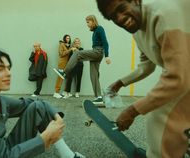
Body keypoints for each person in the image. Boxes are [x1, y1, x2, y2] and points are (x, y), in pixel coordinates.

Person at [95, 0, 190, 157]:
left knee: (160, 117)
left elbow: (177, 77)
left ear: (136, 1)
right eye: (113, 17)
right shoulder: (137, 31)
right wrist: (119, 83)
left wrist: (132, 111)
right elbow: (147, 65)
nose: (119, 18)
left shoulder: (163, 14)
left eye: (121, 8)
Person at [0, 49, 85, 158]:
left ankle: (68, 156)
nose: (8, 73)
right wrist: (45, 138)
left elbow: (33, 103)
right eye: (0, 69)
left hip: (2, 150)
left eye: (8, 68)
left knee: (38, 107)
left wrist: (56, 117)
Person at [54, 15, 111, 104]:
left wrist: (107, 55)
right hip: (96, 53)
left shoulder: (99, 28)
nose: (87, 24)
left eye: (88, 22)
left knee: (77, 53)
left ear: (92, 21)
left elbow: (105, 42)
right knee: (94, 75)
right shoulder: (95, 31)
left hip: (98, 52)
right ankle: (99, 97)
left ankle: (64, 72)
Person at [53, 34, 77, 99]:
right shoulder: (62, 45)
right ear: (64, 39)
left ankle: (65, 92)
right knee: (60, 78)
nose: (68, 39)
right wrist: (70, 50)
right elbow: (61, 54)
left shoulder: (68, 46)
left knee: (66, 77)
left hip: (67, 64)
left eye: (69, 38)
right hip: (62, 63)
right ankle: (56, 93)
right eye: (67, 38)